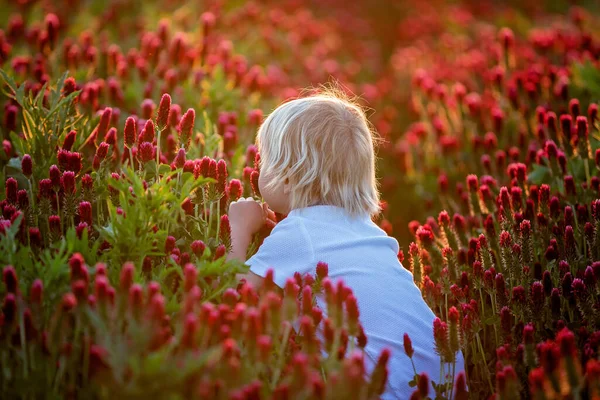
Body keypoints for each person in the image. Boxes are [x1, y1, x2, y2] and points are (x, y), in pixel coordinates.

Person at [226, 87, 466, 399]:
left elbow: (233, 292)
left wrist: (239, 228)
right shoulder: (370, 233)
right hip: (447, 378)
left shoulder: (300, 234)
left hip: (388, 390)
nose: (258, 168)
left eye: (266, 160)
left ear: (288, 174)